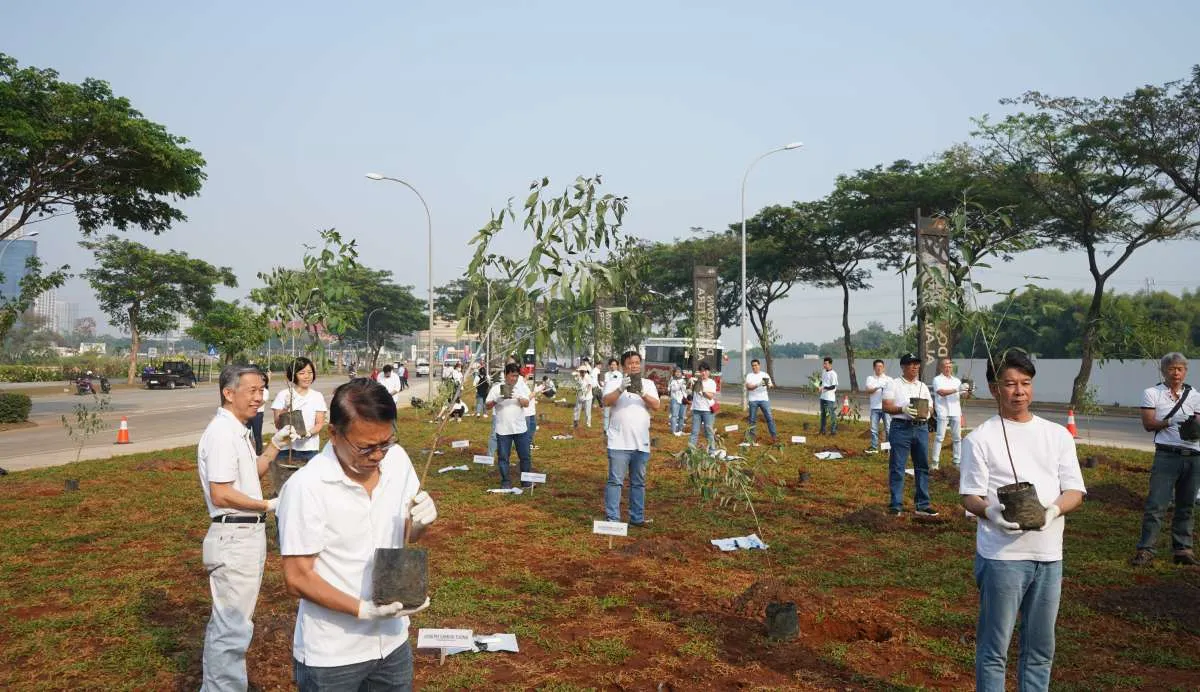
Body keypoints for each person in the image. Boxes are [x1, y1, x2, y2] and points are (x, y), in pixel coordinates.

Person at [278, 378, 437, 691]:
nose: (378, 455)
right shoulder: (306, 488)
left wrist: (419, 524)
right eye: (365, 447)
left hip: (392, 642)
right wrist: (364, 610)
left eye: (386, 443)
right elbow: (297, 578)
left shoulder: (398, 461)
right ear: (334, 434)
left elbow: (406, 535)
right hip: (334, 655)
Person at [959, 349, 1086, 691]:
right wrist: (991, 512)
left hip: (1048, 557)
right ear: (993, 388)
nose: (1019, 391)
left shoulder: (1057, 435)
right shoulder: (980, 439)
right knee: (994, 649)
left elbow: (1074, 489)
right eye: (1010, 384)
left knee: (1040, 649)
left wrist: (1053, 511)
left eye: (1026, 383)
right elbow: (970, 495)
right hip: (1003, 558)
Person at [197, 364, 293, 691]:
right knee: (232, 627)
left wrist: (275, 446)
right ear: (228, 393)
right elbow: (221, 493)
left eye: (262, 390)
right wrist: (267, 505)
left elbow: (249, 474)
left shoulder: (237, 429)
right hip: (235, 534)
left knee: (236, 624)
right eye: (252, 390)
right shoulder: (222, 433)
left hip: (244, 534)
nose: (259, 398)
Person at [1130, 352, 1200, 567]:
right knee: (1156, 504)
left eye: (1180, 369)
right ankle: (1146, 549)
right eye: (1171, 368)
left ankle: (1182, 549)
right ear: (1163, 371)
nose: (1176, 373)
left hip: (1194, 455)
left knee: (1186, 505)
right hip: (1167, 455)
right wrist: (1170, 421)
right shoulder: (1152, 393)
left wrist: (1193, 426)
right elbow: (1149, 424)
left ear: (1185, 371)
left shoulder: (1195, 395)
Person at [602, 350, 660, 526]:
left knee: (638, 483)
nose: (634, 366)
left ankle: (637, 518)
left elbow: (657, 405)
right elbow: (606, 401)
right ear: (622, 366)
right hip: (618, 441)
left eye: (636, 362)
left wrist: (642, 392)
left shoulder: (648, 383)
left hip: (641, 442)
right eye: (630, 363)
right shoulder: (614, 382)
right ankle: (613, 519)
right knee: (615, 481)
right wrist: (621, 389)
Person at [882, 353, 937, 517]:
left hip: (920, 428)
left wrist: (928, 413)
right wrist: (902, 409)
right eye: (911, 364)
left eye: (917, 364)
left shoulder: (923, 386)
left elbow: (931, 407)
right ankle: (896, 505)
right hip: (901, 428)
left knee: (922, 466)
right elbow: (886, 406)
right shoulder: (894, 384)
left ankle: (922, 504)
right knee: (898, 467)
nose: (915, 367)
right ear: (903, 367)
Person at [270, 357, 329, 494]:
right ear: (293, 375)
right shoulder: (284, 395)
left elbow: (320, 423)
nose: (307, 376)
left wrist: (306, 434)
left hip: (309, 450)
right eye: (302, 373)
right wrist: (286, 407)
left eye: (309, 372)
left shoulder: (317, 396)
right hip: (286, 449)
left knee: (309, 490)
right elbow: (278, 425)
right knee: (284, 489)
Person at [487, 363, 532, 488]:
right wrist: (498, 400)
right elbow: (487, 405)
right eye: (512, 376)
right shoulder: (496, 389)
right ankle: (505, 481)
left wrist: (518, 398)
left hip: (520, 428)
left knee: (525, 456)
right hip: (503, 429)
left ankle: (526, 481)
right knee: (503, 457)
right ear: (506, 374)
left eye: (517, 376)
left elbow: (526, 403)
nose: (514, 379)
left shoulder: (520, 388)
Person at [932, 358, 965, 470]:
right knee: (940, 437)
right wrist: (957, 389)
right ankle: (935, 462)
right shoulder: (937, 379)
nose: (948, 368)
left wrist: (968, 391)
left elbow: (963, 395)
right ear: (941, 367)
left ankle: (957, 462)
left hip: (956, 411)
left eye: (950, 366)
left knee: (957, 438)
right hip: (943, 411)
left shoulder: (956, 380)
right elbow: (941, 392)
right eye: (946, 366)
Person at [744, 359, 777, 445]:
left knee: (769, 418)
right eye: (753, 365)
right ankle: (752, 438)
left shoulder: (764, 375)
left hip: (764, 399)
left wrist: (769, 385)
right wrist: (758, 384)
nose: (754, 367)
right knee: (752, 420)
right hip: (753, 400)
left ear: (759, 365)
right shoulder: (749, 375)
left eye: (756, 365)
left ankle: (774, 437)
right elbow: (749, 387)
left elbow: (771, 384)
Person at [864, 359, 892, 455]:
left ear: (883, 368)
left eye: (881, 366)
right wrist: (878, 387)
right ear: (874, 368)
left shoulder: (889, 379)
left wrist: (886, 388)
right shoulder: (870, 378)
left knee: (888, 428)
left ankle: (887, 448)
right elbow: (868, 390)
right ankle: (874, 447)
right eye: (877, 366)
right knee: (873, 429)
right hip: (875, 407)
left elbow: (893, 393)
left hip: (886, 407)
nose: (879, 368)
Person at [689, 362, 718, 452]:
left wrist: (702, 391)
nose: (703, 373)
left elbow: (711, 396)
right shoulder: (696, 382)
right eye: (701, 371)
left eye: (705, 371)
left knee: (708, 432)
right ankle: (691, 451)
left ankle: (712, 451)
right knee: (694, 432)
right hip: (696, 410)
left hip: (707, 411)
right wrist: (690, 384)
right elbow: (690, 394)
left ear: (708, 372)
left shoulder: (711, 382)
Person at [248, 368, 270, 455]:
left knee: (257, 435)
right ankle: (248, 453)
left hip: (258, 414)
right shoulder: (252, 389)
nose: (262, 381)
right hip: (248, 413)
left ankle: (259, 453)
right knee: (247, 434)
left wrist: (250, 403)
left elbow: (259, 403)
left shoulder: (265, 391)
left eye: (264, 380)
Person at [819, 357, 839, 435]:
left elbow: (833, 386)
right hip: (823, 396)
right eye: (824, 363)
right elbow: (822, 381)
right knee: (823, 414)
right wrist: (819, 385)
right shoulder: (823, 371)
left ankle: (833, 431)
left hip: (829, 397)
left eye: (826, 363)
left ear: (830, 364)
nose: (824, 365)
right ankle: (822, 430)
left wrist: (824, 387)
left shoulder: (833, 374)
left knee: (831, 414)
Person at [602, 357, 622, 432]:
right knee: (606, 414)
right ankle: (605, 429)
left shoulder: (619, 374)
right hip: (607, 395)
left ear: (617, 366)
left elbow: (619, 385)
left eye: (614, 364)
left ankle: (615, 429)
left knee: (616, 413)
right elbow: (606, 385)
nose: (613, 366)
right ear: (609, 366)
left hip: (616, 396)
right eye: (611, 364)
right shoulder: (607, 374)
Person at [573, 361, 595, 429]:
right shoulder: (578, 377)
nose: (582, 373)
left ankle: (588, 424)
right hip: (579, 396)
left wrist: (585, 394)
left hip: (587, 397)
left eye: (583, 371)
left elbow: (589, 386)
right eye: (580, 371)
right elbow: (577, 384)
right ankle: (575, 422)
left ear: (585, 372)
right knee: (577, 409)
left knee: (587, 411)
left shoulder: (588, 377)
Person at [667, 367, 688, 436]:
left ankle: (680, 430)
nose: (678, 373)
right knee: (674, 415)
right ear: (674, 373)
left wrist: (687, 384)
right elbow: (672, 389)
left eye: (679, 372)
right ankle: (673, 431)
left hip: (683, 400)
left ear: (681, 373)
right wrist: (680, 385)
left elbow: (687, 390)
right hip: (675, 399)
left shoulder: (684, 380)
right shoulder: (672, 380)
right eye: (676, 372)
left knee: (682, 416)